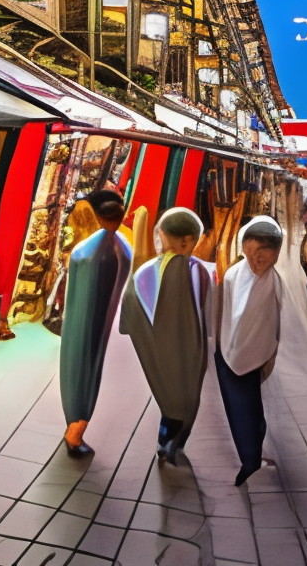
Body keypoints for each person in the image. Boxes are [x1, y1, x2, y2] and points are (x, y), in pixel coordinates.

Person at [119, 207, 216, 464]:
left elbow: (130, 313)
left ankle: (166, 442)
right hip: (192, 352)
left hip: (160, 351)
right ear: (190, 241)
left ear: (163, 235)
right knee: (187, 398)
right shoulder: (200, 271)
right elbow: (210, 315)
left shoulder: (147, 271)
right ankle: (175, 443)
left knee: (169, 398)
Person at [60, 190, 131, 457]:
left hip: (96, 322)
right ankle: (74, 433)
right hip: (91, 324)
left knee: (86, 367)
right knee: (84, 369)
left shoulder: (92, 249)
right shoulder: (99, 250)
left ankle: (75, 429)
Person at [214, 215, 284, 486]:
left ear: (276, 253)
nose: (256, 259)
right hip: (228, 355)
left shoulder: (275, 285)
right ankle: (250, 461)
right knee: (240, 410)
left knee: (251, 409)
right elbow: (225, 313)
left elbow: (280, 325)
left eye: (263, 253)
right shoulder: (233, 275)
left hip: (257, 357)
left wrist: (271, 355)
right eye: (250, 252)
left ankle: (253, 454)